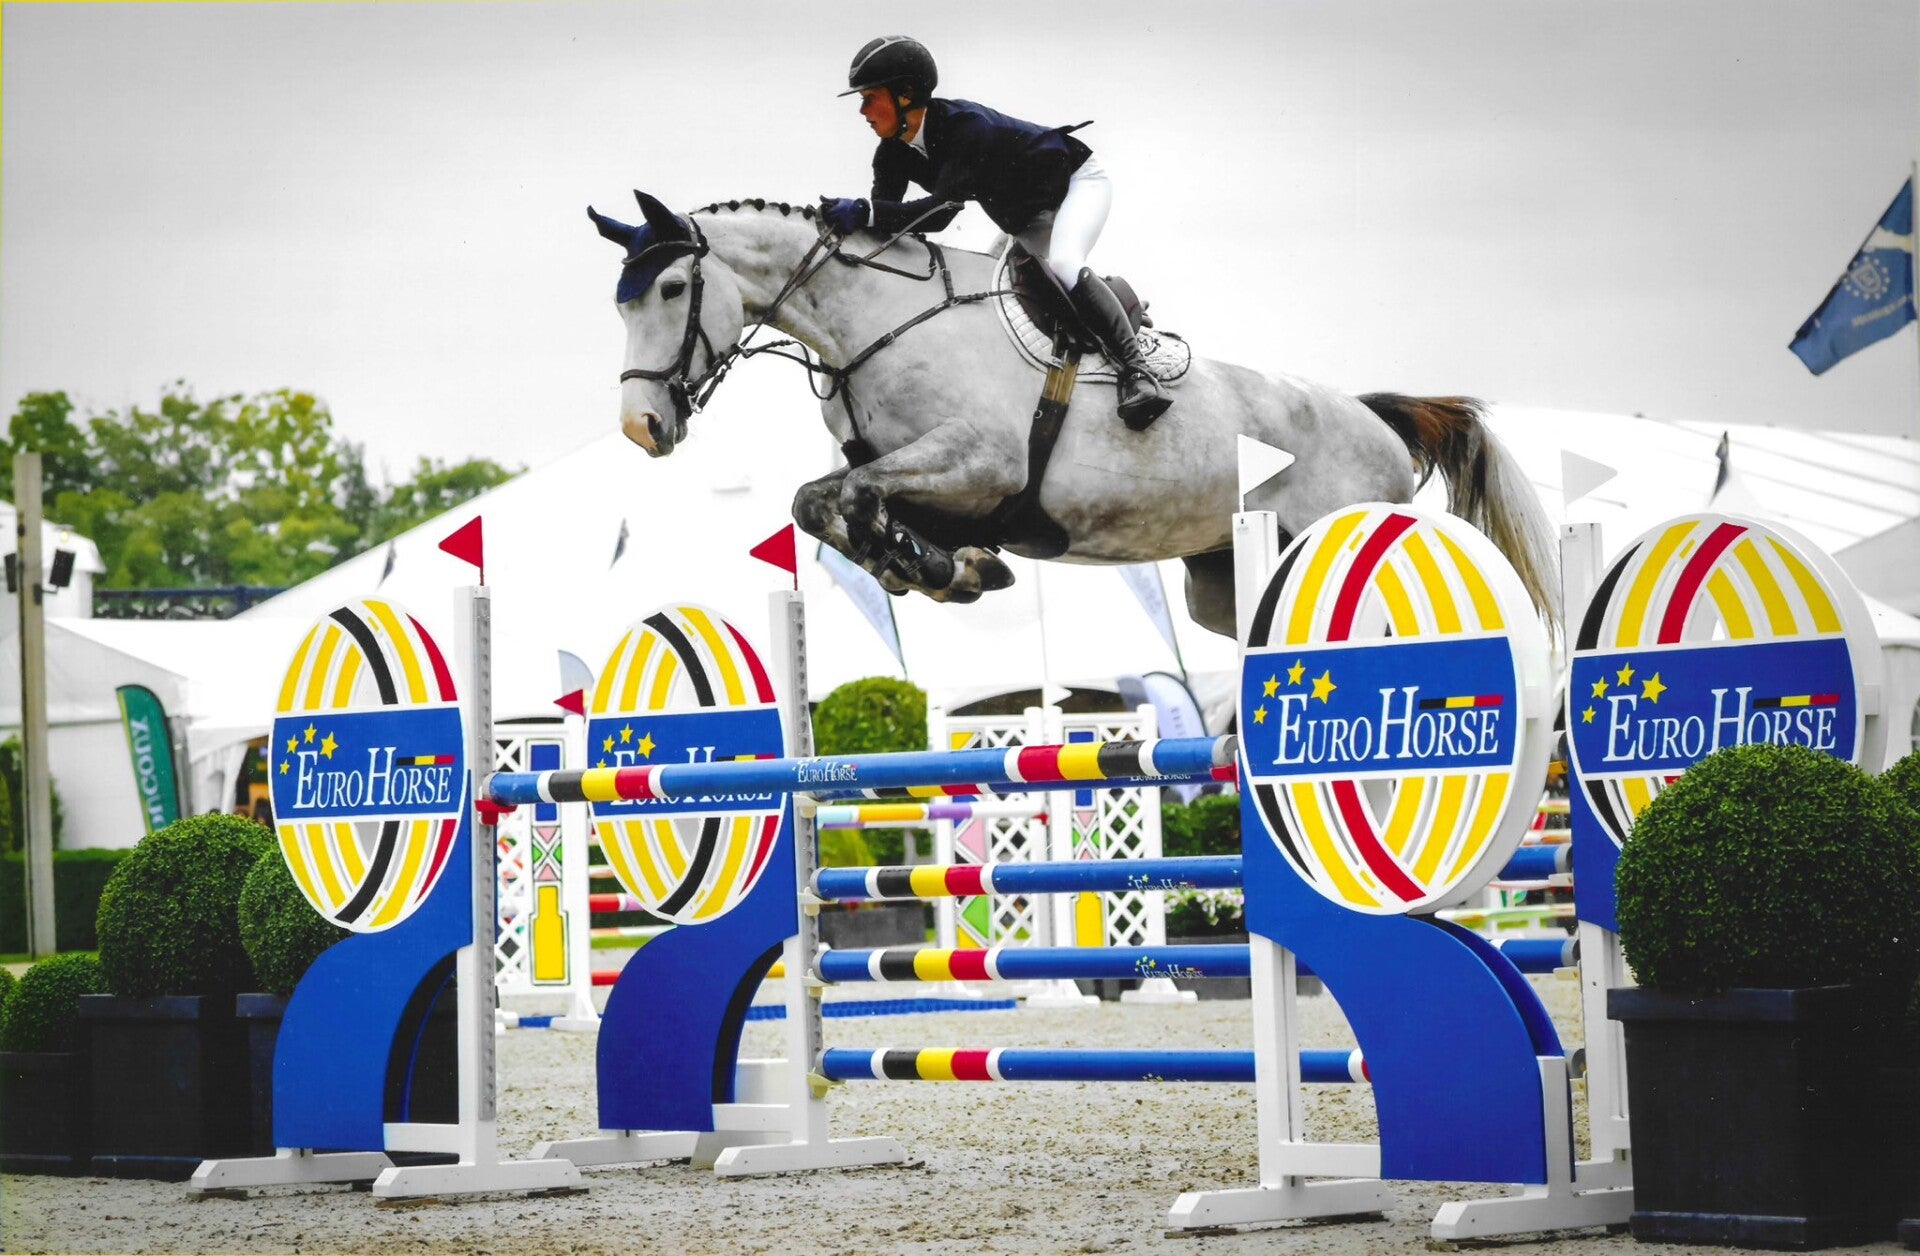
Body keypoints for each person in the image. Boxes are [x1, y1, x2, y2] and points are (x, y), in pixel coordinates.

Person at [820, 36, 1172, 430]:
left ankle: (1137, 373)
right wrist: (852, 228)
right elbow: (887, 225)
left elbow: (939, 214)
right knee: (1004, 290)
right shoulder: (891, 153)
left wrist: (864, 212)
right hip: (1024, 219)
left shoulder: (966, 128)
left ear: (905, 94)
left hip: (1076, 183)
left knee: (1064, 264)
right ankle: (1109, 306)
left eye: (870, 98)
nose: (863, 111)